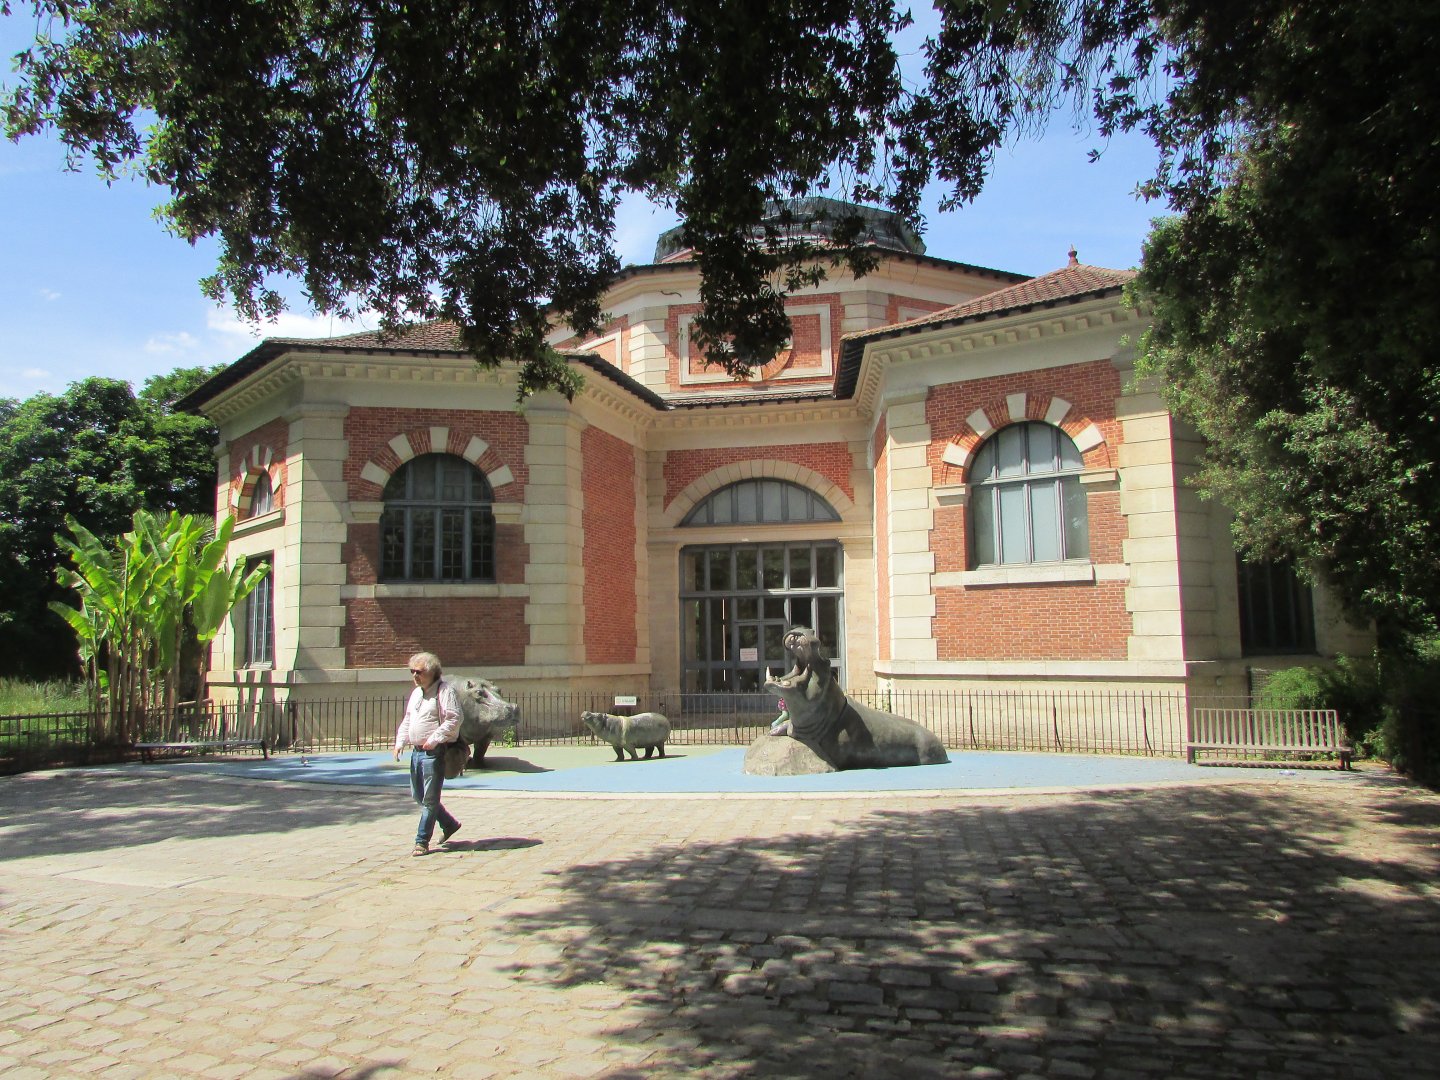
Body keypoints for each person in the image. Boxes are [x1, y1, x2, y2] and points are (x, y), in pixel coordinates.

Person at [392, 651, 463, 856]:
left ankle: (421, 841)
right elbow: (408, 720)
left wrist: (434, 739)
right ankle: (449, 823)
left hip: (434, 752)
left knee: (430, 799)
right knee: (419, 795)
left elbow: (454, 718)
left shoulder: (444, 691)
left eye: (419, 672)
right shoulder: (416, 693)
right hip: (416, 752)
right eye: (412, 671)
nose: (415, 676)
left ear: (432, 672)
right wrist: (400, 742)